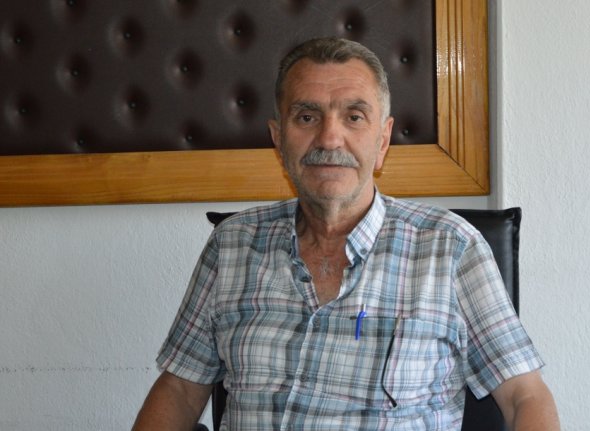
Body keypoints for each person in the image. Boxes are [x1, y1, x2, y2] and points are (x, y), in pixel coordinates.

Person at [133, 37, 560, 430]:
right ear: (279, 140)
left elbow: (525, 396)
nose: (329, 138)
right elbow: (180, 389)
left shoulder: (451, 248)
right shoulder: (232, 245)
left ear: (383, 140)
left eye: (354, 117)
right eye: (307, 117)